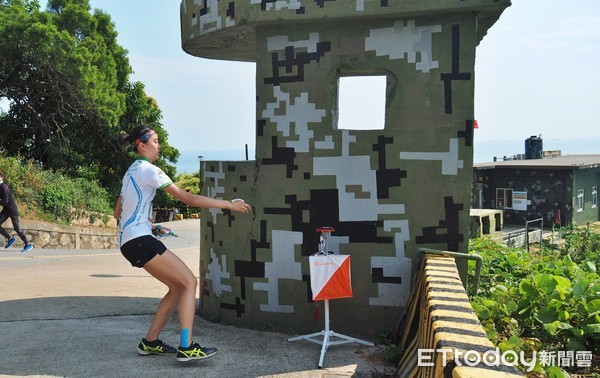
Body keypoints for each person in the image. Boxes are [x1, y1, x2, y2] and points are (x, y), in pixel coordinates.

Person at [114, 125, 251, 362]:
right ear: (141, 144)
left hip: (130, 241)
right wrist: (230, 205)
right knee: (189, 282)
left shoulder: (131, 171)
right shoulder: (150, 171)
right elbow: (188, 199)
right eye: (155, 141)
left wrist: (150, 226)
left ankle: (150, 342)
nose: (159, 145)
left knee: (178, 288)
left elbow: (118, 211)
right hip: (140, 240)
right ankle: (186, 346)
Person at [0, 172, 33, 252]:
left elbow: (5, 201)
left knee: (17, 228)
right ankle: (10, 238)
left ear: (1, 177)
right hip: (6, 210)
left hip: (12, 209)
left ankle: (28, 244)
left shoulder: (4, 187)